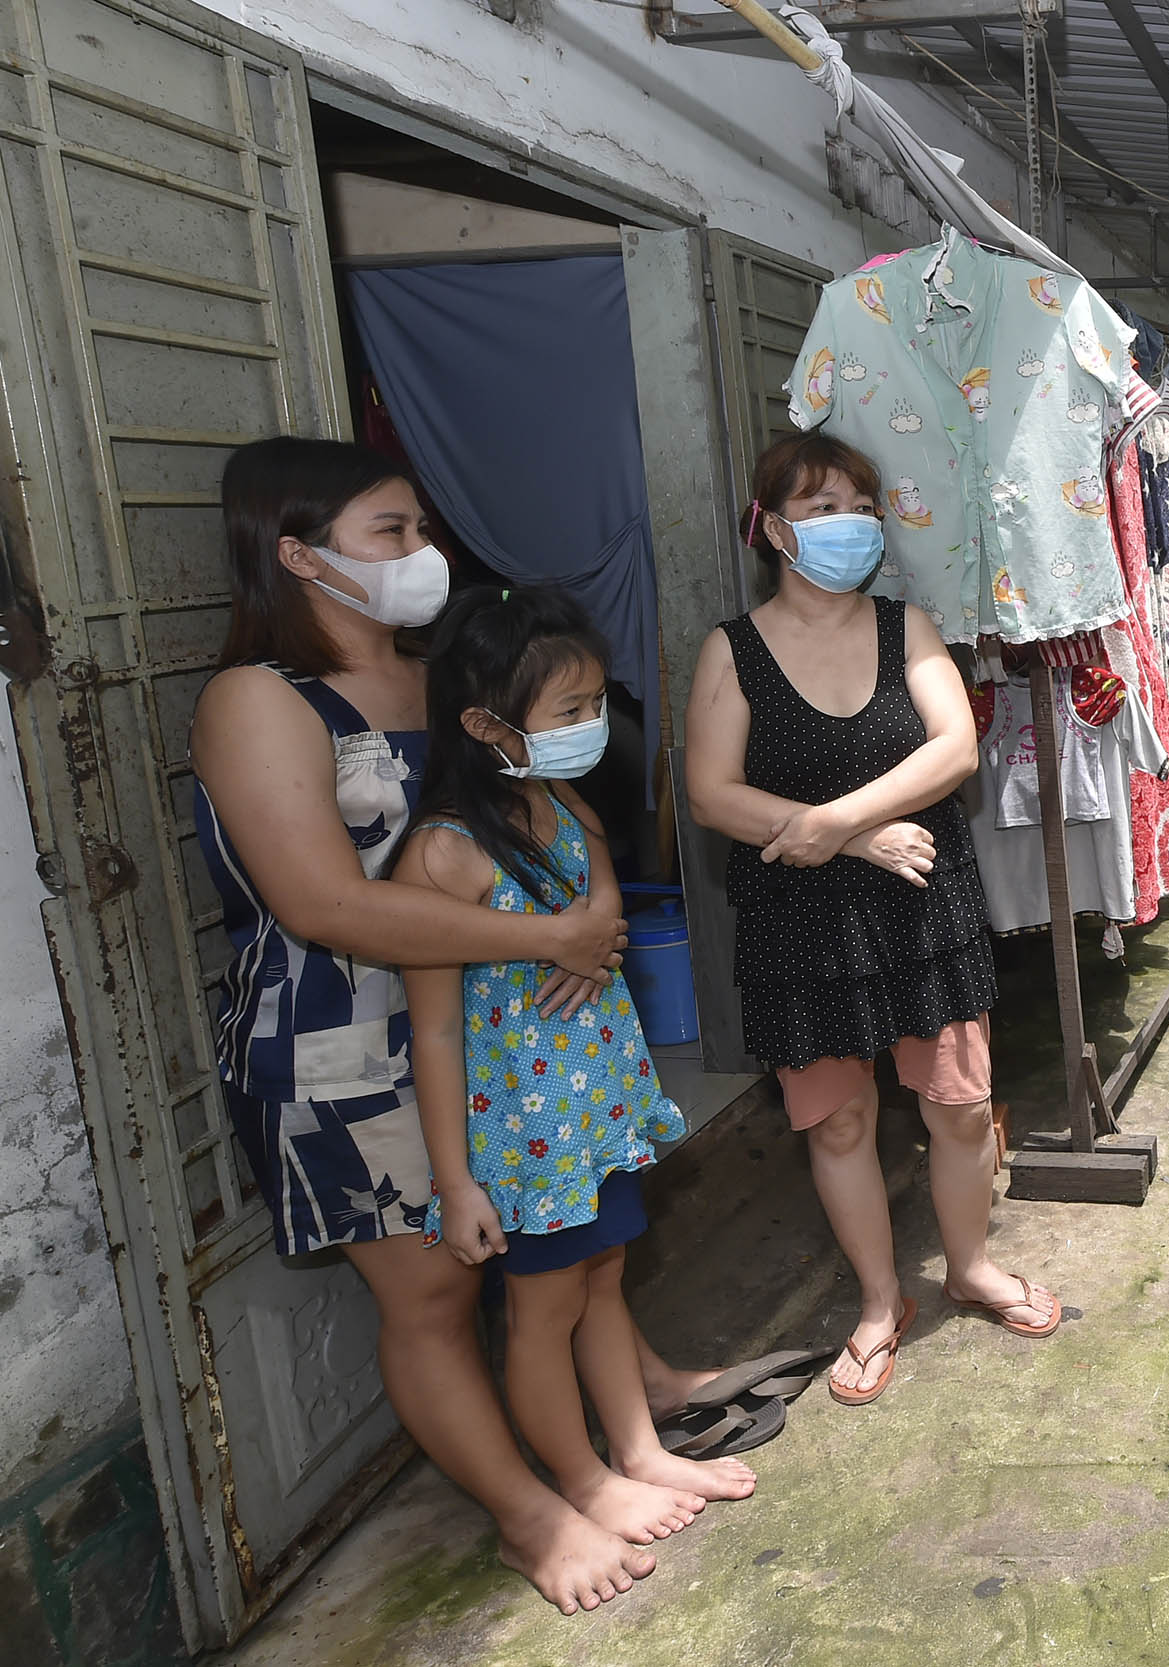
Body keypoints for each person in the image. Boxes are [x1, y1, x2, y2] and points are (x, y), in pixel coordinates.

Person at [193, 438, 720, 1614]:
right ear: (298, 554)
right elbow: (322, 903)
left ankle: (633, 1407)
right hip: (346, 1045)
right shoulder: (259, 700)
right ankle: (533, 1515)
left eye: (421, 528)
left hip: (508, 1036)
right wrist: (556, 937)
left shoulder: (442, 675)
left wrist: (587, 916)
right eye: (390, 532)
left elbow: (542, 805)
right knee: (434, 1292)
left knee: (564, 1243)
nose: (421, 551)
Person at [685, 431, 1059, 1408]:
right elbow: (713, 793)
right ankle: (880, 1300)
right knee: (839, 1118)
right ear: (773, 529)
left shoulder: (908, 628)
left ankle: (970, 1267)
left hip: (922, 901)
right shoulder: (733, 649)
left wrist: (839, 820)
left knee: (961, 1104)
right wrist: (854, 840)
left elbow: (955, 747)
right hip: (799, 920)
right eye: (822, 508)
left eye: (860, 507)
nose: (849, 524)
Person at [398, 587, 757, 1556]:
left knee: (603, 1281)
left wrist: (593, 933)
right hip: (528, 1142)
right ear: (486, 725)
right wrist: (457, 1183)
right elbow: (434, 1031)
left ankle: (638, 1451)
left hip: (593, 1114)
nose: (593, 723)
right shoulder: (443, 853)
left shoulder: (559, 802)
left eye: (598, 701)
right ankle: (583, 1479)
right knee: (544, 1311)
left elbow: (603, 902)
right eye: (570, 709)